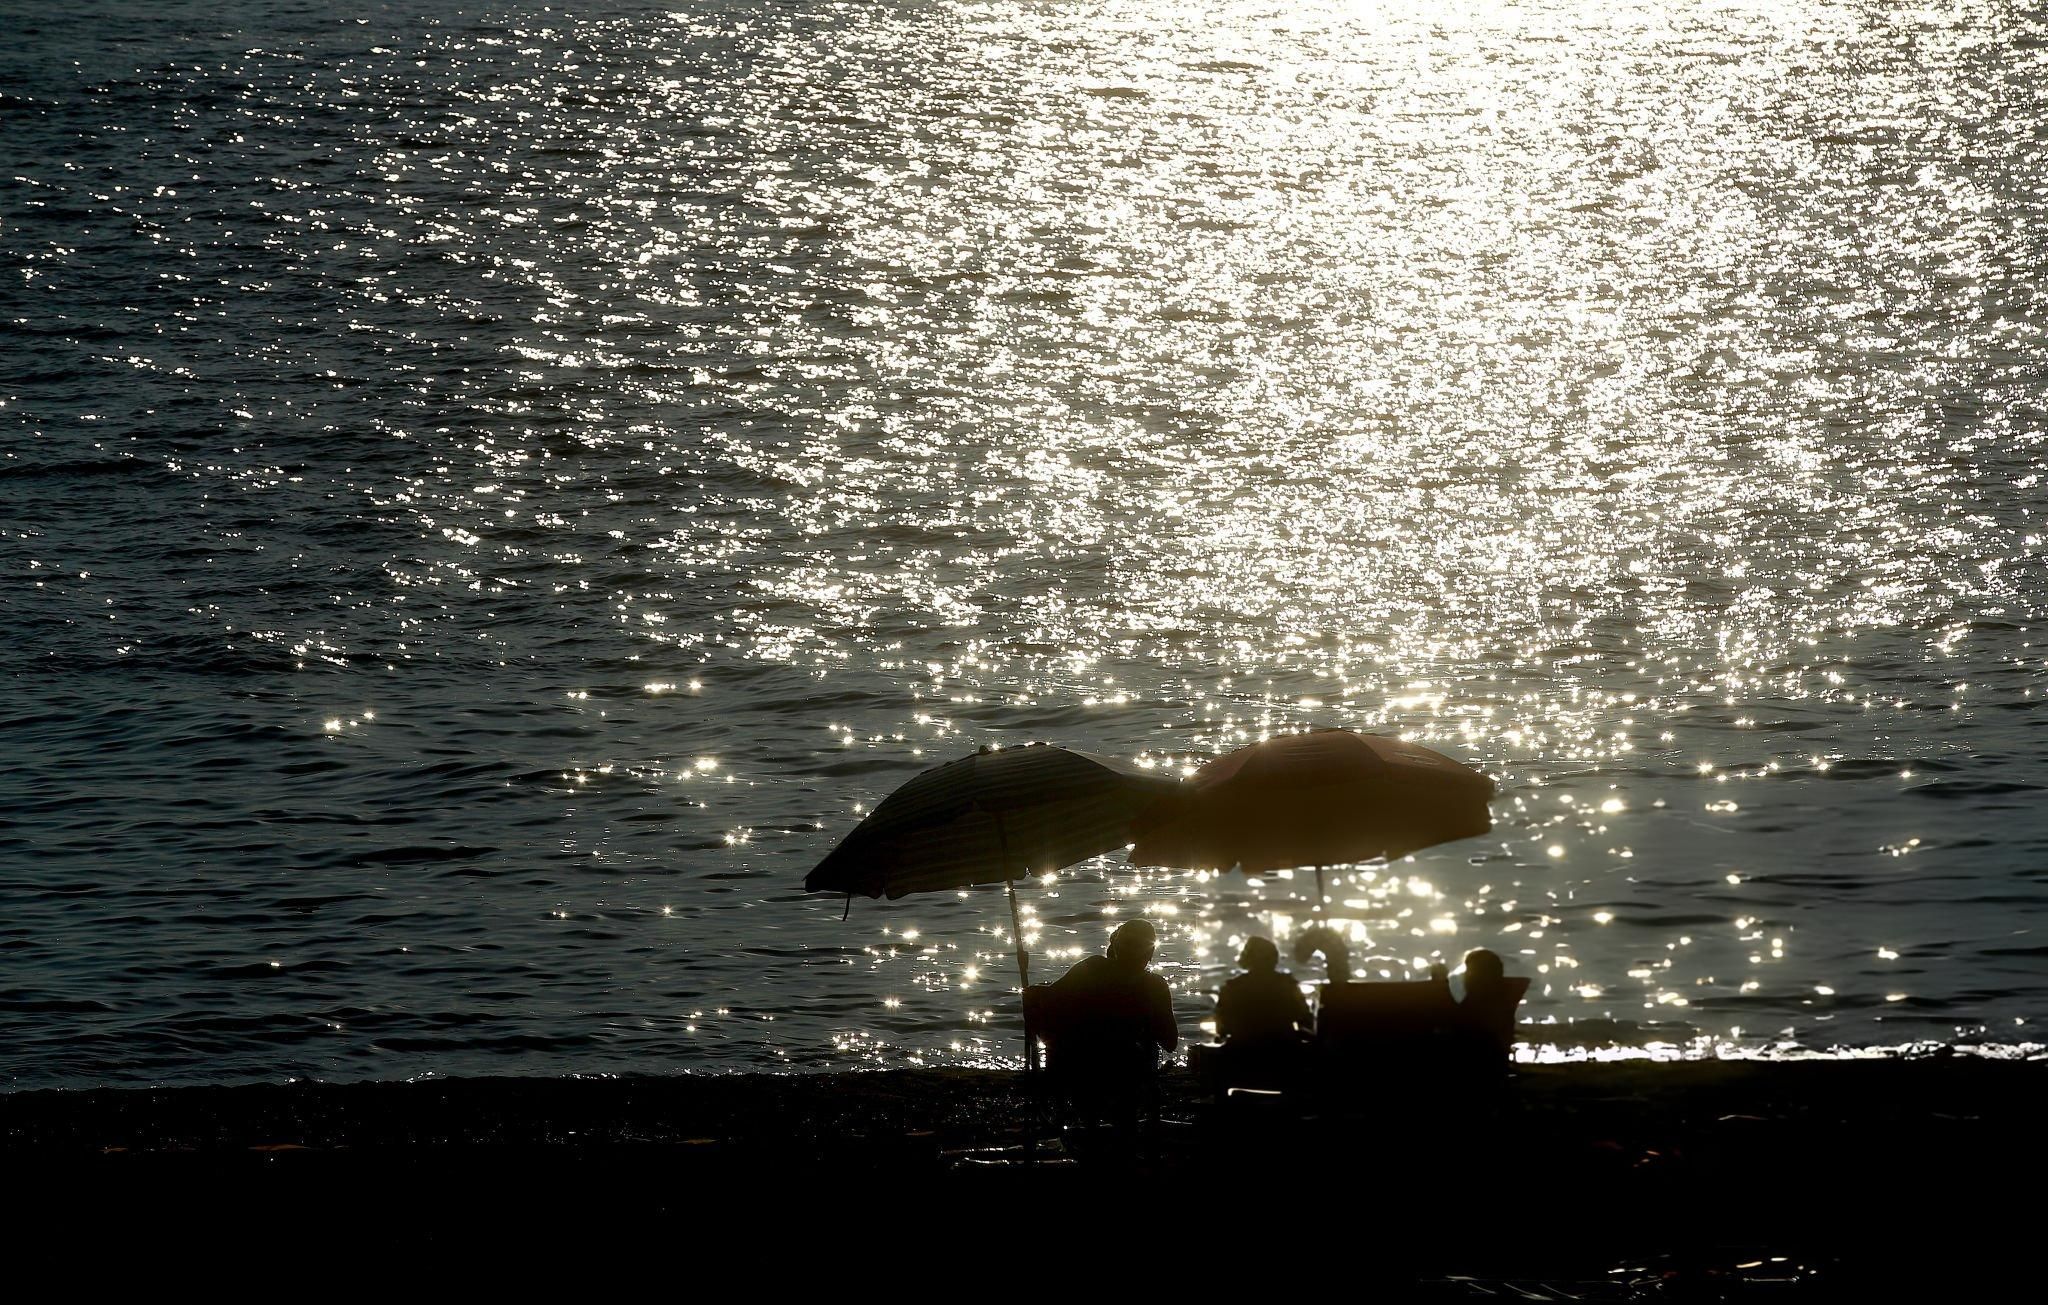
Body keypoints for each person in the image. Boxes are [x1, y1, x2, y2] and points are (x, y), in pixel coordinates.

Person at [1216, 936, 1313, 1048]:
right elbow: (1304, 1016)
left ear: (1247, 958)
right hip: (1283, 1046)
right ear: (1274, 958)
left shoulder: (1232, 988)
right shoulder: (1287, 985)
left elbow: (1223, 1025)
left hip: (1243, 1049)